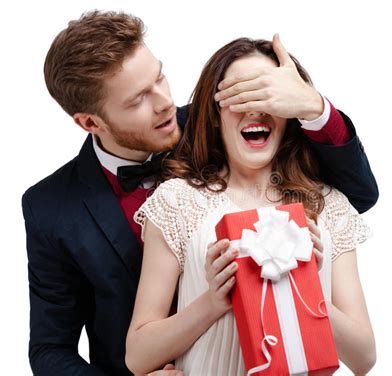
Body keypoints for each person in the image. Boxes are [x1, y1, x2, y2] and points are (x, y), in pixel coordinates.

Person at [22, 10, 377, 376]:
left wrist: (314, 107)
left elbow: (355, 194)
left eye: (159, 77)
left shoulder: (224, 118)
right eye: (137, 99)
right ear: (90, 122)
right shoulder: (49, 208)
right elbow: (51, 348)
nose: (163, 103)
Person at [126, 38, 376, 375]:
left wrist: (308, 287)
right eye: (239, 95)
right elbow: (138, 356)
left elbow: (364, 358)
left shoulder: (328, 205)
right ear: (214, 115)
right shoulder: (177, 202)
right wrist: (213, 301)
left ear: (290, 113)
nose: (254, 108)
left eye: (266, 94)